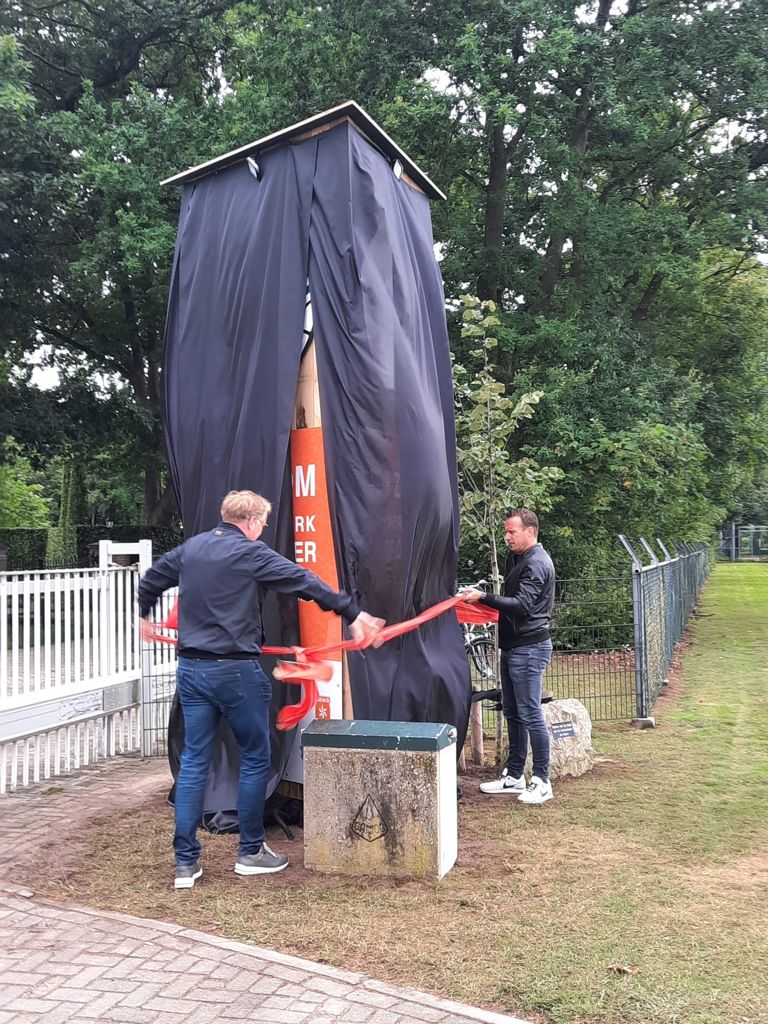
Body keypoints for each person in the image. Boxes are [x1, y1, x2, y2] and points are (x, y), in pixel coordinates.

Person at [138, 490, 384, 889]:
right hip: (236, 672)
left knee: (195, 762)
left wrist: (144, 615)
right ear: (252, 521)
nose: (262, 530)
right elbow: (304, 581)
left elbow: (152, 579)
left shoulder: (193, 548)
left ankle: (185, 863)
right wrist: (353, 614)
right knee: (255, 758)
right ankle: (250, 853)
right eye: (263, 524)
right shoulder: (251, 553)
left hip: (192, 671)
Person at [461, 508, 556, 804]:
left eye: (511, 532)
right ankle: (514, 776)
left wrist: (484, 598)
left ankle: (542, 780)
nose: (507, 537)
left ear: (530, 531)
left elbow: (523, 605)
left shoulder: (537, 563)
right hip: (513, 647)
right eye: (505, 532)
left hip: (529, 648)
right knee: (512, 712)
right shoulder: (518, 558)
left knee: (530, 713)